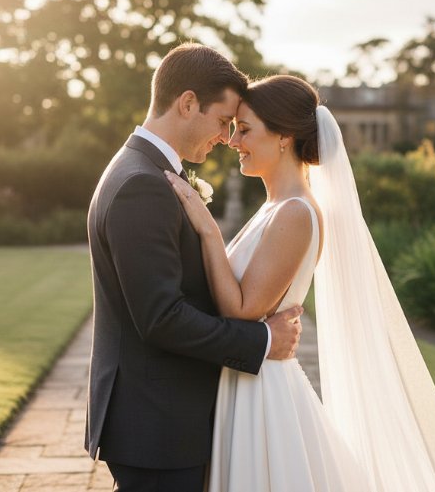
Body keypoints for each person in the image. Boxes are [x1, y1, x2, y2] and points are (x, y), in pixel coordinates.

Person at [165, 75, 435, 491]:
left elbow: (242, 310)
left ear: (283, 137)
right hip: (244, 379)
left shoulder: (296, 212)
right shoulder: (274, 207)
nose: (232, 140)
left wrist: (207, 230)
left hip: (261, 395)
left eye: (244, 130)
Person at [85, 44, 304, 492]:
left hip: (160, 418)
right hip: (156, 423)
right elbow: (161, 318)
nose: (227, 137)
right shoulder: (142, 185)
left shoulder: (147, 171)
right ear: (187, 104)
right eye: (224, 122)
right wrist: (263, 340)